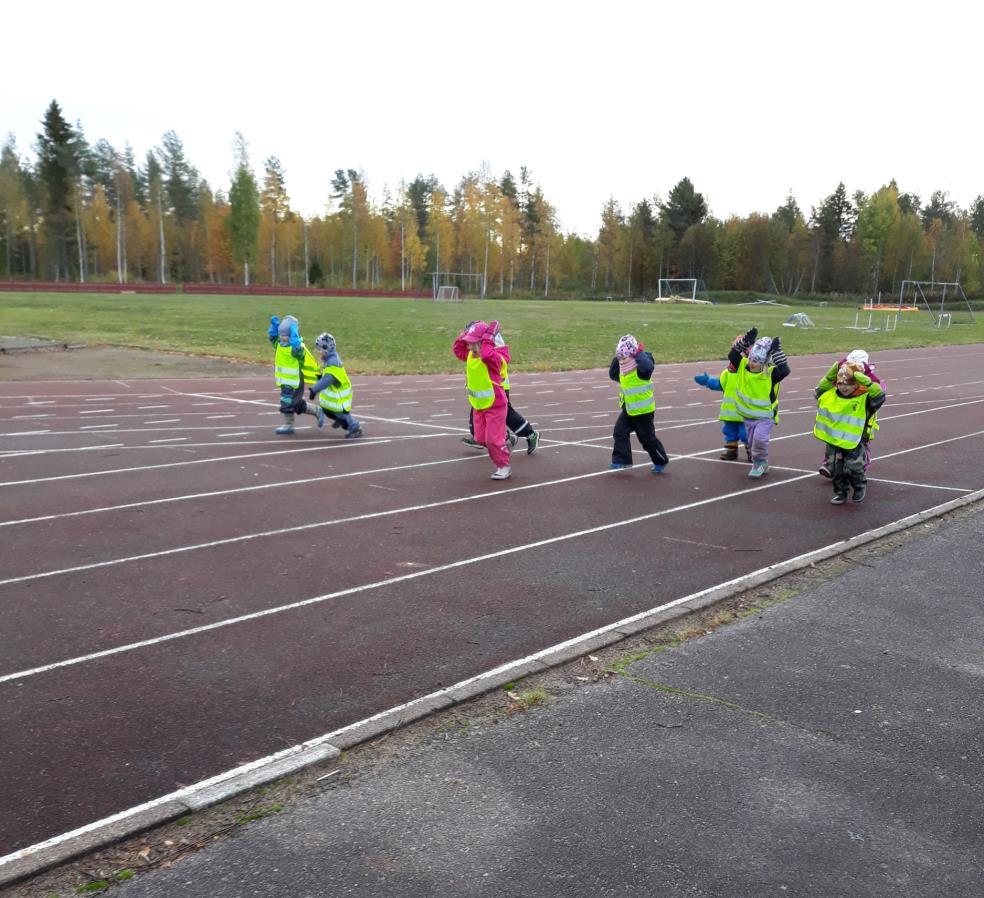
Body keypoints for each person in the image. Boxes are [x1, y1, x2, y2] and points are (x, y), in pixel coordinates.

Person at [460, 321, 539, 456]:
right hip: (485, 384)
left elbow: (490, 357)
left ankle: (529, 434)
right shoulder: (482, 340)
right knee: (478, 407)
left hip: (498, 384)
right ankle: (483, 437)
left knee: (505, 413)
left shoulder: (490, 342)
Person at [814, 361, 886, 504]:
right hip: (835, 441)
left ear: (856, 384)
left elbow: (879, 396)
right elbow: (820, 391)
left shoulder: (864, 399)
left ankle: (859, 486)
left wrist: (867, 380)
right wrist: (830, 376)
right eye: (840, 383)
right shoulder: (831, 395)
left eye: (848, 384)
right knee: (837, 469)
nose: (843, 387)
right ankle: (841, 492)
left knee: (853, 467)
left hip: (855, 441)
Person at [727, 328, 790, 478]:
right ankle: (760, 461)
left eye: (757, 361)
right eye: (751, 359)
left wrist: (776, 351)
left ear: (764, 363)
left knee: (760, 440)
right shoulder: (743, 366)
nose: (752, 363)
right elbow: (733, 355)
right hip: (748, 416)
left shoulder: (771, 374)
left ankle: (760, 463)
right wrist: (746, 342)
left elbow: (785, 370)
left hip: (765, 417)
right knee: (752, 442)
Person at [452, 320, 512, 480]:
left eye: (473, 343)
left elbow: (486, 354)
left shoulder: (493, 359)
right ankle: (504, 442)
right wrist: (465, 334)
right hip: (479, 406)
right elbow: (457, 349)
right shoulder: (471, 355)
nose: (469, 347)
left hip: (495, 406)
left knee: (492, 440)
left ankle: (503, 466)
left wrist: (489, 335)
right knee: (480, 439)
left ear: (483, 343)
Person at [608, 334, 669, 473]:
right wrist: (617, 358)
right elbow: (612, 374)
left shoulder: (642, 370)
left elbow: (648, 367)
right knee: (619, 432)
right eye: (620, 358)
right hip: (629, 410)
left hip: (643, 412)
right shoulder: (623, 370)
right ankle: (621, 460)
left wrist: (638, 352)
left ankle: (661, 460)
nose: (622, 361)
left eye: (624, 357)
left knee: (647, 440)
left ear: (633, 355)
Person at [267, 314, 322, 435]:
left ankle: (290, 424)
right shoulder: (279, 344)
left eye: (285, 335)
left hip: (296, 380)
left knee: (290, 402)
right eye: (280, 335)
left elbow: (300, 354)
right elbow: (273, 339)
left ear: (291, 335)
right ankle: (315, 411)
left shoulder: (296, 347)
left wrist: (295, 341)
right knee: (291, 402)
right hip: (285, 380)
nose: (282, 338)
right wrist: (273, 329)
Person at [308, 332, 363, 438]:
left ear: (326, 349)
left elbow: (328, 379)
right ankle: (341, 420)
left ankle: (355, 427)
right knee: (328, 410)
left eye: (319, 349)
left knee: (341, 413)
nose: (318, 352)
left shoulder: (333, 362)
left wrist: (314, 389)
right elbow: (328, 376)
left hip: (341, 396)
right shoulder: (329, 359)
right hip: (336, 393)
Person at [693, 362, 749, 461]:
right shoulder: (727, 373)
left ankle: (752, 450)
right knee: (730, 432)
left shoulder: (749, 373)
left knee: (745, 433)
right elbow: (720, 384)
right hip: (729, 413)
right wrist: (708, 381)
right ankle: (731, 450)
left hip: (745, 412)